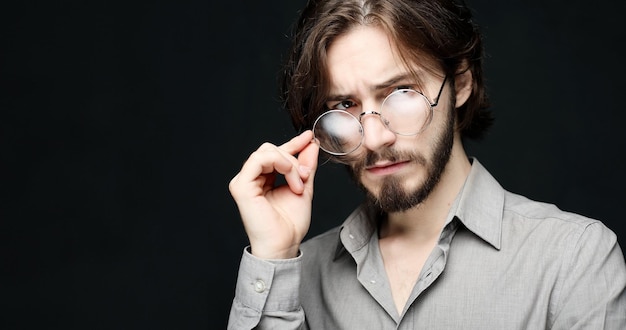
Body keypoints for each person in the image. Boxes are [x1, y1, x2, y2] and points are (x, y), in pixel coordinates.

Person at [227, 0, 626, 328]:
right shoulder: (298, 273)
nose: (376, 138)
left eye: (401, 93)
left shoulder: (571, 259)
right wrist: (273, 258)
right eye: (345, 106)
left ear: (461, 84)